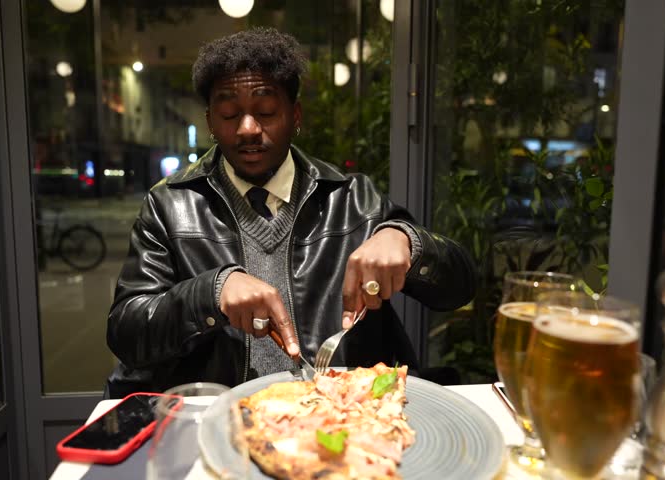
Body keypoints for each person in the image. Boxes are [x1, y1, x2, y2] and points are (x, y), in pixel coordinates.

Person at [105, 28, 475, 397]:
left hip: (337, 418)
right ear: (210, 123)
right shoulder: (170, 205)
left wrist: (408, 242)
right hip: (221, 421)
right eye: (230, 114)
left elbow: (459, 288)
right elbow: (127, 332)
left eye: (266, 112)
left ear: (295, 115)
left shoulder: (352, 199)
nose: (248, 129)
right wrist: (210, 293)